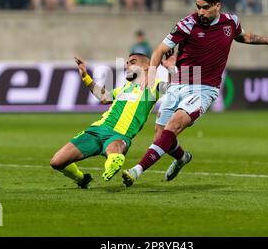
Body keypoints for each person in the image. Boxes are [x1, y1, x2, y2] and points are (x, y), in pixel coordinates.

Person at [122, 0, 268, 187]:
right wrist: (151, 76)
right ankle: (182, 157)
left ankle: (136, 171)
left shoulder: (231, 22)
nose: (200, 11)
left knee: (174, 126)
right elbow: (159, 51)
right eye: (198, 6)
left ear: (217, 6)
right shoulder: (186, 24)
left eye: (205, 7)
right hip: (179, 82)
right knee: (160, 136)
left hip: (205, 88)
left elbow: (245, 37)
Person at [49, 53, 175, 188]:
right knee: (56, 162)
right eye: (127, 63)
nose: (127, 65)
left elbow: (174, 88)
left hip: (119, 135)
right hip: (97, 130)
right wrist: (85, 76)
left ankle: (114, 161)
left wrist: (171, 68)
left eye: (132, 62)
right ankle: (82, 179)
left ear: (146, 66)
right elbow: (104, 97)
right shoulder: (125, 87)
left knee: (113, 153)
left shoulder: (152, 87)